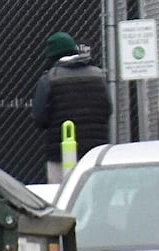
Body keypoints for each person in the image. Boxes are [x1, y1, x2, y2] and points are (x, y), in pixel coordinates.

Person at [31, 31, 111, 183]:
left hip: (59, 151)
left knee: (60, 194)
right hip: (94, 149)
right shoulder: (98, 75)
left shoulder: (49, 78)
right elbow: (107, 108)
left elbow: (39, 116)